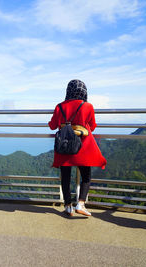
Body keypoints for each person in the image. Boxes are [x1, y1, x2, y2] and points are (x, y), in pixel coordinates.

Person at [48, 79, 106, 217]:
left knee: (66, 177)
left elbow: (52, 125)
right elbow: (92, 126)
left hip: (64, 147)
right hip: (82, 147)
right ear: (83, 91)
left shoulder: (59, 106)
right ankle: (81, 204)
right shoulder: (88, 106)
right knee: (86, 176)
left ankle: (68, 206)